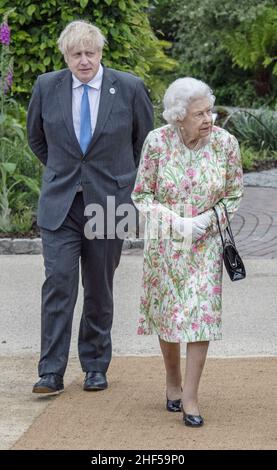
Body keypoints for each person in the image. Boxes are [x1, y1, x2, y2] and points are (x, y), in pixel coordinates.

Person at [27, 20, 153, 395]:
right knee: (58, 285)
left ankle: (96, 365)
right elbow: (36, 139)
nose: (84, 61)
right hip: (60, 202)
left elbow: (144, 145)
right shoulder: (46, 87)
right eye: (76, 54)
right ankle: (50, 371)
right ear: (65, 55)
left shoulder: (128, 88)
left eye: (90, 53)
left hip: (111, 202)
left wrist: (121, 181)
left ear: (101, 53)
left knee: (99, 287)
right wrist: (66, 172)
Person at [131, 77, 243, 427]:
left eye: (210, 110)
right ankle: (172, 381)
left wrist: (207, 220)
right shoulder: (157, 142)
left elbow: (234, 195)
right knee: (169, 314)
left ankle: (191, 397)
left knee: (201, 316)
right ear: (179, 117)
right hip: (167, 244)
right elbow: (142, 195)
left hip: (207, 244)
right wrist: (175, 222)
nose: (208, 119)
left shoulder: (226, 144)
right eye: (199, 114)